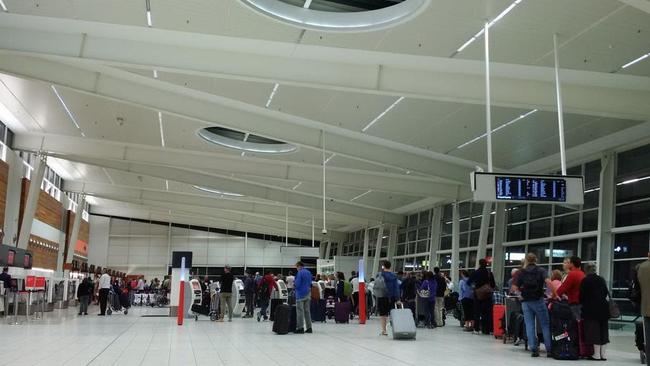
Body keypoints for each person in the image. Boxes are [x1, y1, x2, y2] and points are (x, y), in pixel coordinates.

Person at [514, 253, 553, 358]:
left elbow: (514, 287)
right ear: (536, 260)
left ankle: (534, 350)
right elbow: (548, 282)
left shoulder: (521, 272)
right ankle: (549, 350)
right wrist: (552, 294)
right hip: (538, 300)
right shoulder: (541, 270)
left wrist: (520, 296)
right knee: (545, 324)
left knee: (530, 325)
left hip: (526, 301)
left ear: (526, 260)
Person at [579, 263, 610, 361]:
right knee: (603, 331)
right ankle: (603, 355)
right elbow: (605, 292)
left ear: (586, 270)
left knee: (594, 331)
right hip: (603, 308)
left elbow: (582, 296)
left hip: (591, 309)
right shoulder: (601, 279)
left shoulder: (585, 280)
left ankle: (596, 355)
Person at [467, 259, 496, 335]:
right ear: (486, 264)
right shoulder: (489, 273)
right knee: (487, 312)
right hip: (487, 295)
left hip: (478, 295)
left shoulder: (476, 272)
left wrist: (475, 287)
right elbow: (493, 284)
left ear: (479, 264)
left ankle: (476, 329)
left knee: (477, 312)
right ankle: (487, 330)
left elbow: (468, 282)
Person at [376, 260, 400, 336]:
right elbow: (396, 288)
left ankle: (384, 330)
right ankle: (395, 329)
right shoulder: (394, 276)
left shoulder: (380, 275)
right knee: (392, 313)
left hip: (382, 296)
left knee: (383, 314)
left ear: (383, 266)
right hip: (391, 297)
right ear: (390, 266)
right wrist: (398, 298)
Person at [294, 261, 313, 334]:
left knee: (300, 312)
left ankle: (300, 328)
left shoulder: (300, 272)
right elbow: (310, 283)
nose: (296, 268)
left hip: (300, 294)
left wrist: (294, 285)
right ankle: (309, 328)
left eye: (296, 267)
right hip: (308, 293)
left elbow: (297, 284)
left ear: (299, 266)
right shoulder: (308, 272)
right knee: (307, 311)